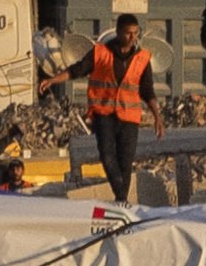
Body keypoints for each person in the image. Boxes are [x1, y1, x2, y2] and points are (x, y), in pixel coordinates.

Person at [64, 15, 160, 201]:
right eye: (128, 33)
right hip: (104, 114)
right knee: (108, 156)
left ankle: (121, 201)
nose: (133, 37)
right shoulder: (101, 53)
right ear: (118, 33)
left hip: (129, 117)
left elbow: (148, 91)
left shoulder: (142, 58)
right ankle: (122, 198)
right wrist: (53, 79)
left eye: (135, 33)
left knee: (125, 162)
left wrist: (158, 117)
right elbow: (77, 69)